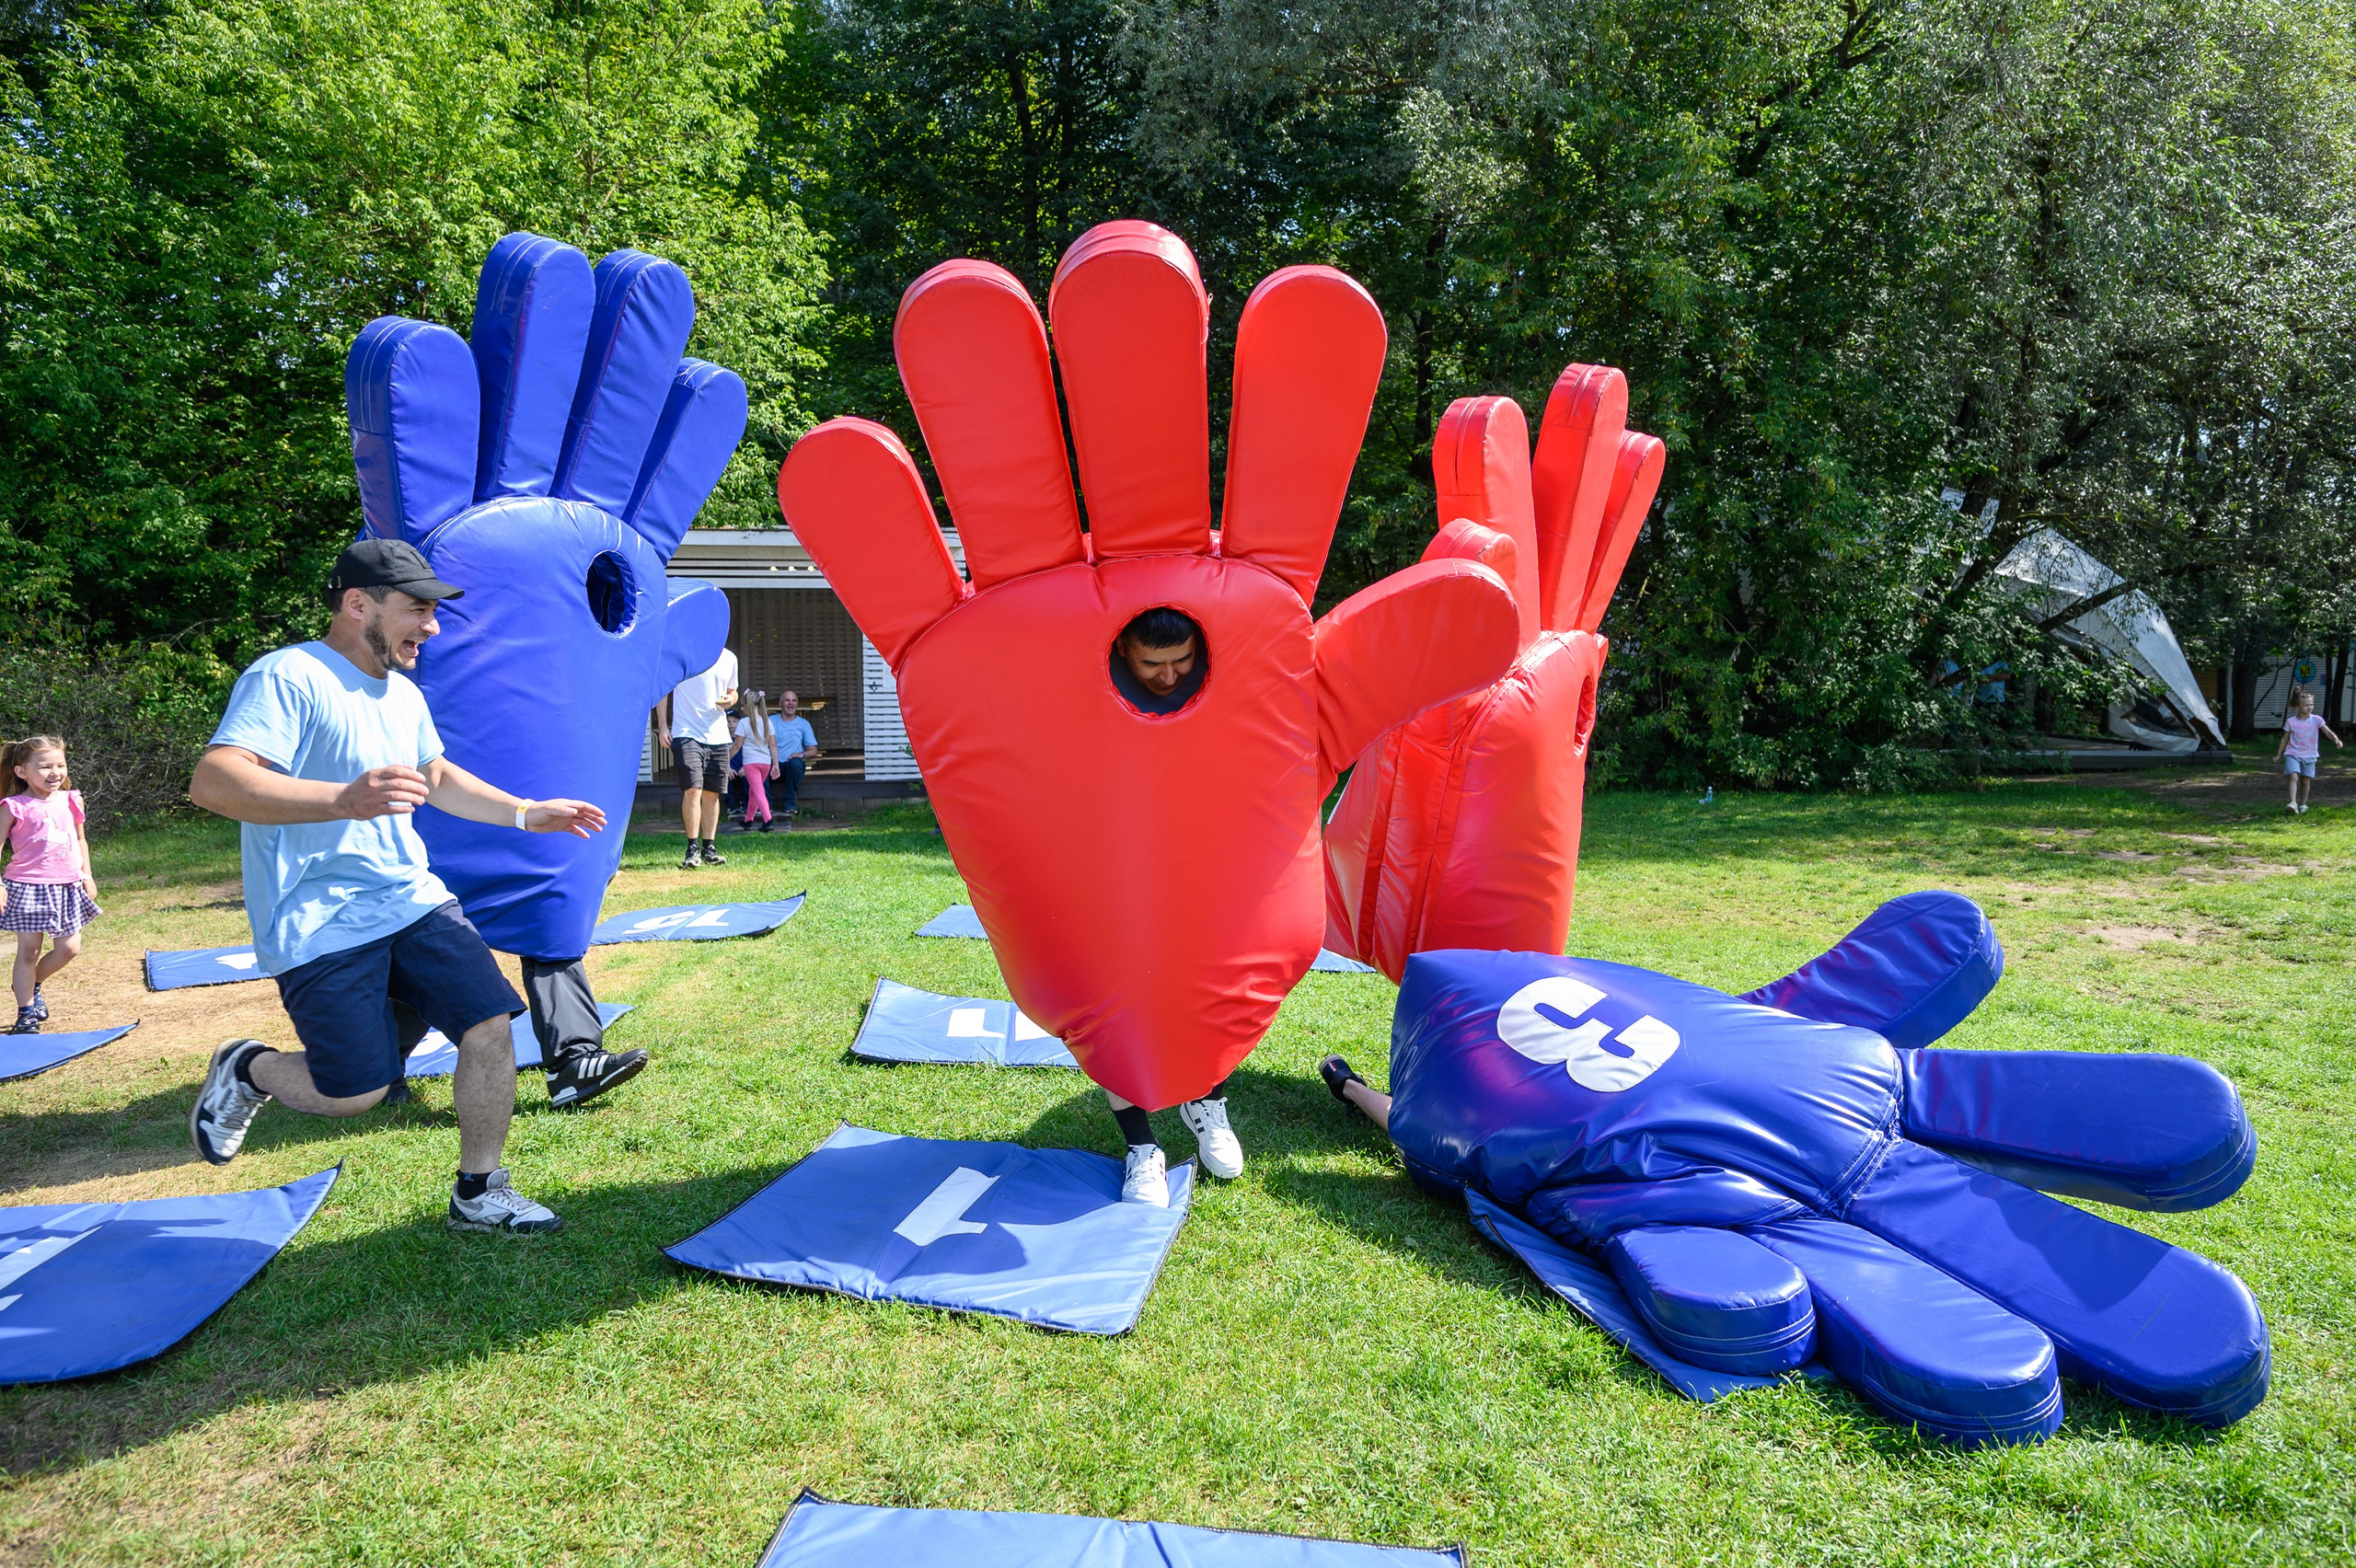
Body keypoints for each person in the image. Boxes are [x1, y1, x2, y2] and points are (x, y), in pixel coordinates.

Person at [186, 539, 607, 1235]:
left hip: (409, 896)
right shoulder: (287, 676)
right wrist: (340, 801)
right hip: (316, 914)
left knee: (488, 1025)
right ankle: (249, 1069)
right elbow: (215, 782)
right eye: (418, 610)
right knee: (355, 1093)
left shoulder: (404, 693)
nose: (432, 627)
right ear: (358, 604)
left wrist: (526, 813)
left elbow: (435, 777)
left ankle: (479, 1190)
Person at [1093, 606, 1238, 1205]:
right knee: (1113, 1007)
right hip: (1110, 850)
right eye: (1154, 663)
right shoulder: (1091, 676)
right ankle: (1140, 1145)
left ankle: (1206, 1103)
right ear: (1124, 646)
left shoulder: (1220, 671)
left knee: (1210, 991)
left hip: (1199, 843)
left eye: (1182, 660)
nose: (1171, 674)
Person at [2, 736, 98, 1035]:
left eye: (60, 765)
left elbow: (80, 839)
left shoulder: (71, 800)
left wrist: (87, 875)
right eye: (45, 767)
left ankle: (34, 983)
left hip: (66, 886)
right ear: (22, 772)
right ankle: (26, 1012)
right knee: (29, 952)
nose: (55, 772)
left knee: (69, 949)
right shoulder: (14, 806)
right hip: (27, 887)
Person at [656, 646, 738, 869]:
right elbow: (663, 689)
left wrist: (730, 700)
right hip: (686, 733)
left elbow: (734, 691)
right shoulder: (682, 653)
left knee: (712, 794)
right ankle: (692, 849)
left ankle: (709, 847)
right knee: (693, 789)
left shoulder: (729, 657)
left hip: (718, 735)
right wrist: (663, 726)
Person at [2273, 686, 2341, 813]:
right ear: (2297, 707)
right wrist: (2279, 754)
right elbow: (2284, 739)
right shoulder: (2291, 722)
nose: (2310, 707)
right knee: (2293, 776)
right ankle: (2292, 803)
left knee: (2305, 780)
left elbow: (2327, 732)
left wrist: (2336, 739)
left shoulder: (2316, 720)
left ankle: (2303, 804)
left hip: (2310, 755)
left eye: (2311, 704)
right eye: (2306, 705)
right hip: (2293, 753)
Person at [768, 690, 822, 820]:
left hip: (790, 767)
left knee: (796, 763)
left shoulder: (803, 724)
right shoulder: (770, 721)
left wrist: (801, 754)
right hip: (772, 765)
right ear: (780, 703)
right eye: (787, 700)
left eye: (794, 701)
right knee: (759, 764)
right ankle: (765, 805)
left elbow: (813, 750)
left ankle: (789, 804)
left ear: (797, 704)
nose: (791, 703)